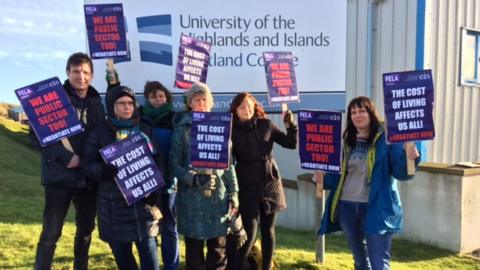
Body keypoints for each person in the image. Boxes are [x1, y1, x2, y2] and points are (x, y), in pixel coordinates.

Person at [317, 96, 420, 270]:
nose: (357, 115)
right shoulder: (346, 141)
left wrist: (409, 159)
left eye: (362, 110)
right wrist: (321, 179)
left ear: (371, 113)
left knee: (379, 263)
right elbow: (337, 177)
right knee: (360, 261)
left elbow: (401, 173)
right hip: (347, 208)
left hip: (377, 208)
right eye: (353, 112)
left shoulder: (388, 138)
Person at [32, 52, 105, 270]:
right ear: (67, 72)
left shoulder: (96, 103)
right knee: (51, 233)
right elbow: (37, 136)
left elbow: (102, 136)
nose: (80, 76)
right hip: (59, 178)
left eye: (85, 72)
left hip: (87, 179)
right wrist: (66, 157)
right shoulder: (53, 99)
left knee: (85, 230)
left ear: (91, 76)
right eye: (76, 71)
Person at [82, 86, 163, 270]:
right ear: (112, 106)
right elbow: (87, 165)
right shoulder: (100, 132)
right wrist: (104, 171)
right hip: (113, 211)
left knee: (151, 261)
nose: (127, 107)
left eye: (130, 103)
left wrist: (155, 190)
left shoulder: (144, 128)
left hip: (144, 208)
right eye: (121, 103)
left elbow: (158, 160)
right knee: (125, 262)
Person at [169, 82, 239, 270]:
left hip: (218, 197)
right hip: (192, 201)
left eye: (204, 99)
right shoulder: (181, 130)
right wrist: (192, 178)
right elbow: (173, 164)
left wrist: (234, 193)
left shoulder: (222, 127)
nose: (201, 103)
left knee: (218, 252)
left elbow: (229, 164)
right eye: (197, 99)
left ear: (211, 102)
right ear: (190, 103)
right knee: (194, 256)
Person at [228, 92, 297, 270]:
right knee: (249, 233)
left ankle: (266, 267)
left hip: (270, 183)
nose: (246, 109)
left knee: (269, 231)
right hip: (246, 183)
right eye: (241, 106)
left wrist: (289, 122)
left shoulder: (266, 124)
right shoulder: (230, 130)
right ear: (235, 110)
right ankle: (237, 266)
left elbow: (290, 143)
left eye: (249, 105)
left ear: (255, 107)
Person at [139, 81, 179, 270]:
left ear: (167, 98)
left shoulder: (175, 118)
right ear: (147, 98)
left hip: (170, 180)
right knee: (150, 227)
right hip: (146, 182)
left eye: (161, 95)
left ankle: (171, 266)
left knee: (170, 227)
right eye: (154, 96)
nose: (158, 99)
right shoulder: (138, 118)